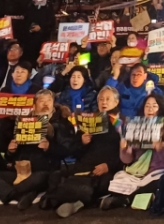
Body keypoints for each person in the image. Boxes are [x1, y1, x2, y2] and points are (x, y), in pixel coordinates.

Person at [39, 85, 124, 216]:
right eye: (101, 99)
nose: (104, 102)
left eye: (108, 99)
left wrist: (109, 165)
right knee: (56, 175)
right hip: (85, 165)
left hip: (107, 167)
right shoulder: (89, 119)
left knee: (104, 183)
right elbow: (75, 151)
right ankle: (79, 201)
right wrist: (82, 142)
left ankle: (56, 198)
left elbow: (126, 155)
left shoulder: (122, 123)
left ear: (116, 102)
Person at [0, 89, 70, 210]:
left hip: (42, 171)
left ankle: (6, 193)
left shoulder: (62, 123)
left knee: (40, 178)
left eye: (49, 100)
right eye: (42, 101)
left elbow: (67, 150)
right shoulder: (21, 122)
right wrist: (10, 151)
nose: (45, 104)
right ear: (34, 105)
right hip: (20, 171)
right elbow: (9, 156)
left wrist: (49, 148)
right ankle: (20, 194)